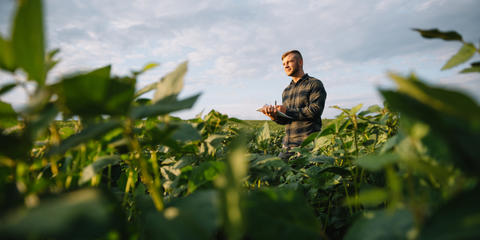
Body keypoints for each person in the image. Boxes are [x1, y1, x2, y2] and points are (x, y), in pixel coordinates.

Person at [261, 50, 327, 161]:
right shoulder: (286, 91)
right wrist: (274, 115)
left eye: (289, 62)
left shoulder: (314, 84)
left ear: (300, 62)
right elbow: (286, 120)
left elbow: (315, 110)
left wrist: (287, 110)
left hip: (307, 146)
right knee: (278, 173)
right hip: (287, 146)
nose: (285, 65)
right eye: (283, 64)